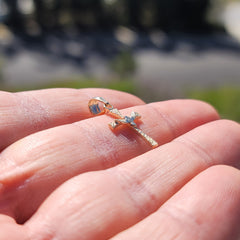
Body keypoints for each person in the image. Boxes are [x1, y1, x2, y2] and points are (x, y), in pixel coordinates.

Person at [0, 88, 239, 240]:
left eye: (103, 106)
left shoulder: (120, 116)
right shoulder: (114, 117)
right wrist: (117, 121)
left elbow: (126, 118)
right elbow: (116, 121)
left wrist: (123, 119)